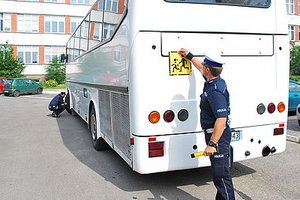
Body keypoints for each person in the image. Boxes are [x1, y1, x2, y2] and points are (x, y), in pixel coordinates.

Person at [178, 48, 235, 200]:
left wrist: (212, 143)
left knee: (221, 176)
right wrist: (189, 56)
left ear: (208, 69)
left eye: (204, 66)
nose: (202, 67)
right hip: (214, 135)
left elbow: (221, 119)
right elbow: (201, 69)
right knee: (219, 175)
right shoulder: (213, 81)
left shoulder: (215, 91)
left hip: (218, 137)